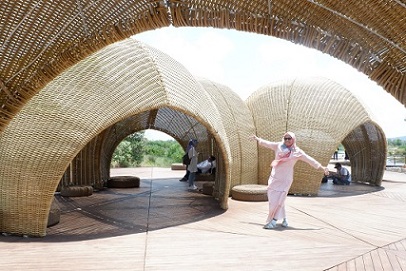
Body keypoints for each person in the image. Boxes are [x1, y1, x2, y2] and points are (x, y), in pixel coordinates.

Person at [249, 132, 329, 229]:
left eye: (289, 138)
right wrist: (257, 139)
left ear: (293, 139)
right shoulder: (278, 146)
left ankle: (273, 221)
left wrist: (322, 167)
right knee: (273, 200)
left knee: (280, 199)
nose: (287, 140)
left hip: (286, 179)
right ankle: (284, 219)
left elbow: (310, 160)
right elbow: (267, 143)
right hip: (275, 178)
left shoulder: (297, 152)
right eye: (285, 138)